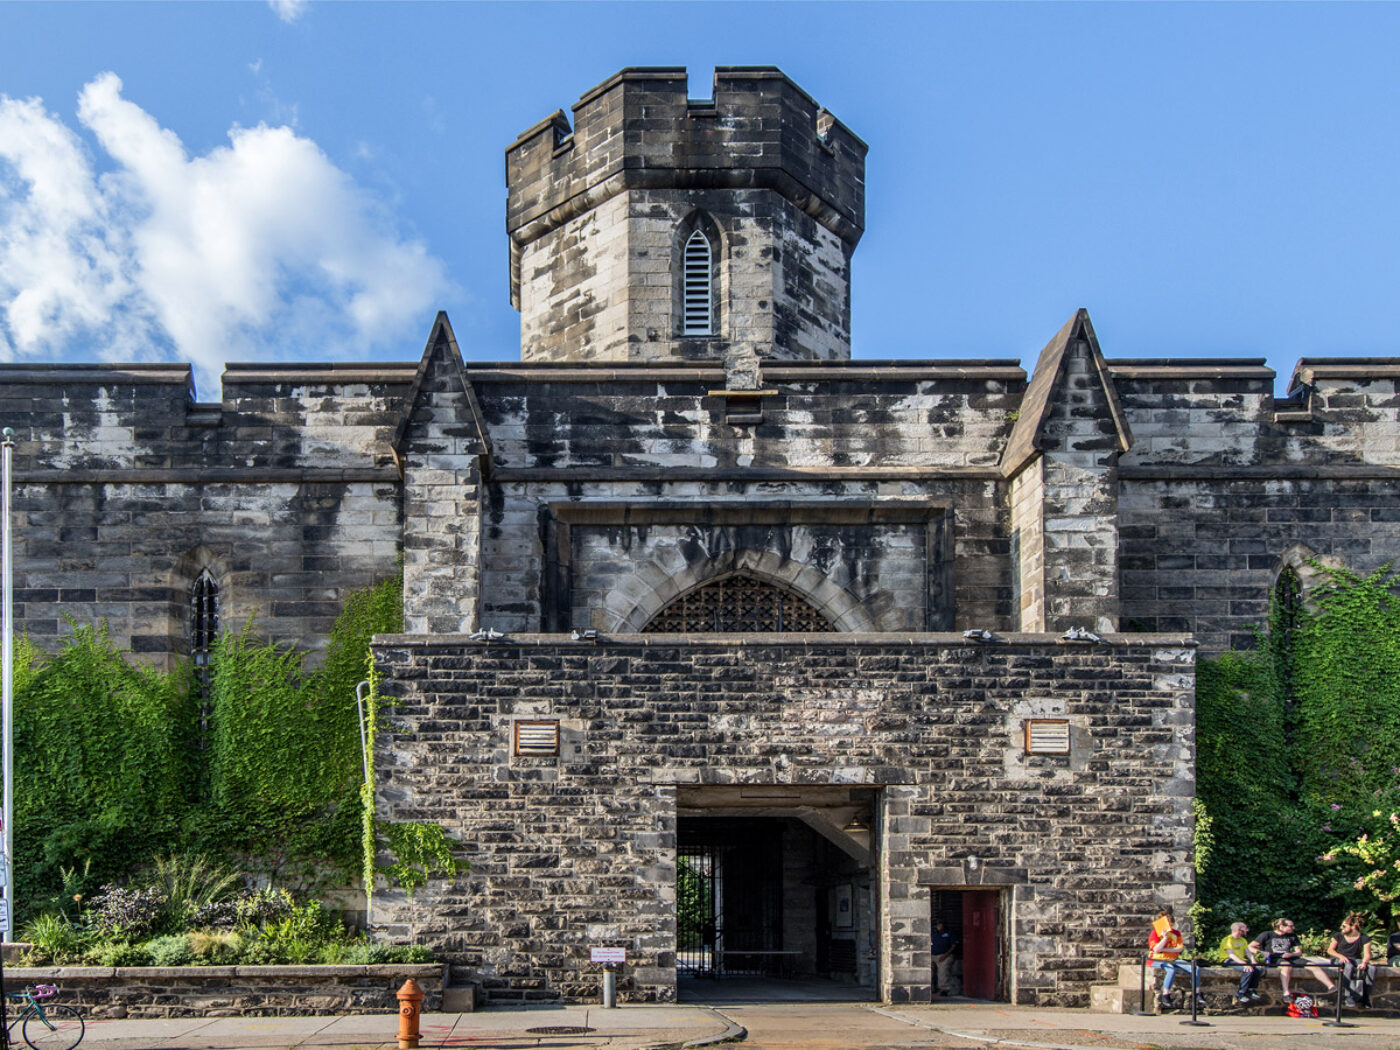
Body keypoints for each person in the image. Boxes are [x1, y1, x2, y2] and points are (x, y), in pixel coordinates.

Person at [1250, 917, 1336, 1001]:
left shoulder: (1292, 936)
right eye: (1290, 926)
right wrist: (1261, 952)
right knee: (1287, 967)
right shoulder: (1267, 934)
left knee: (1313, 965)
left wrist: (1290, 954)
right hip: (1275, 957)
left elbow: (1299, 952)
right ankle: (1286, 992)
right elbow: (1250, 946)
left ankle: (1331, 986)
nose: (1293, 928)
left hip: (1290, 956)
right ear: (1282, 926)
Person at [1148, 908, 1201, 1010]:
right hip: (1158, 959)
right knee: (1171, 969)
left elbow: (1179, 948)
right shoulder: (1155, 933)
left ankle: (1197, 992)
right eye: (1169, 925)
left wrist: (1166, 949)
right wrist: (1164, 938)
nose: (1170, 928)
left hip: (1173, 958)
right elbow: (1156, 949)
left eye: (1172, 925)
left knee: (1195, 968)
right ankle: (1166, 994)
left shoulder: (1176, 933)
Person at [1327, 912, 1374, 1008]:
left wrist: (1364, 963)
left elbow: (1367, 954)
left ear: (1353, 926)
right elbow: (1330, 950)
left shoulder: (1364, 938)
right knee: (1348, 966)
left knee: (1372, 969)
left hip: (1355, 959)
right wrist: (1340, 956)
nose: (1341, 928)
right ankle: (1348, 996)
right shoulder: (1338, 936)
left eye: (1344, 926)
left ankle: (1365, 997)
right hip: (1339, 958)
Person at [1219, 921, 1265, 1004]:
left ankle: (1250, 990)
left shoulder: (1243, 940)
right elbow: (1231, 955)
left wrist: (1254, 961)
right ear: (1239, 930)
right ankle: (1241, 993)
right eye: (1245, 928)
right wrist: (1244, 964)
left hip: (1241, 960)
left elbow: (1248, 953)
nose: (1247, 930)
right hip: (1228, 960)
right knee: (1247, 970)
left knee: (1258, 969)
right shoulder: (1227, 940)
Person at [931, 920, 959, 996]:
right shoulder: (933, 933)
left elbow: (954, 945)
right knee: (929, 971)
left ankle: (944, 989)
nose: (939, 926)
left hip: (945, 955)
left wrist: (945, 955)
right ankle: (931, 988)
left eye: (940, 924)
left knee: (942, 972)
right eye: (937, 925)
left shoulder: (949, 933)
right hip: (932, 955)